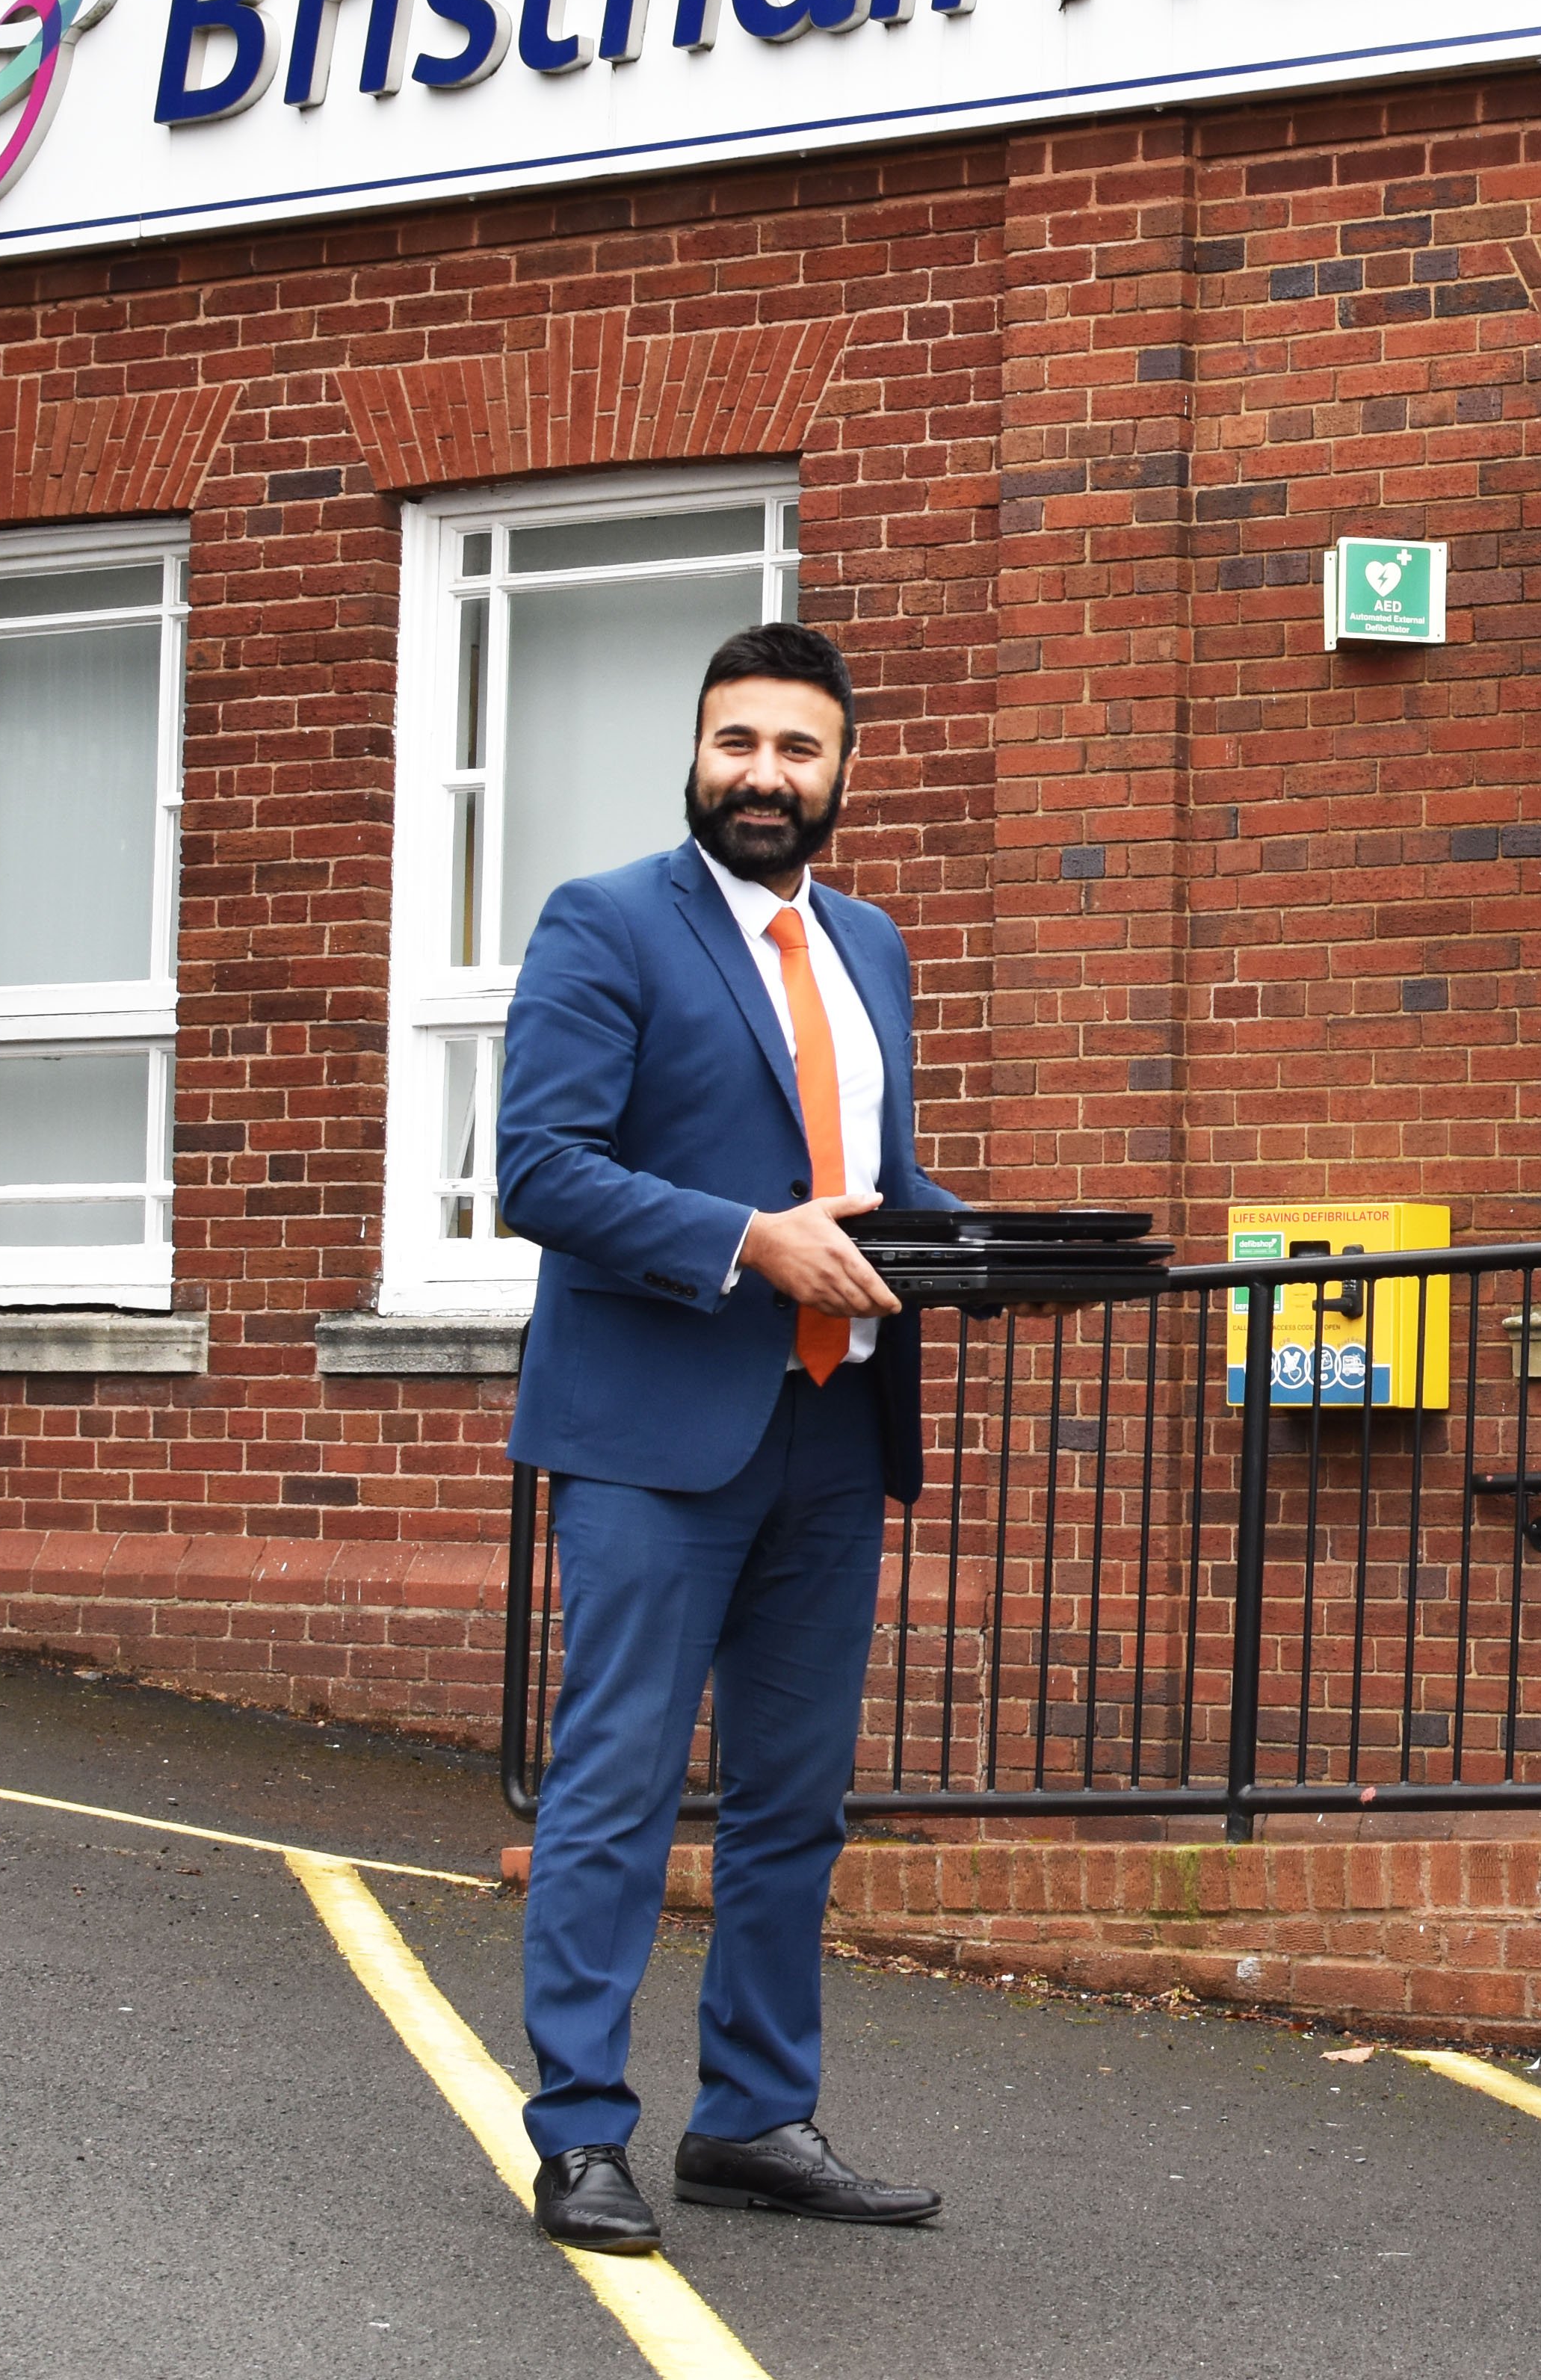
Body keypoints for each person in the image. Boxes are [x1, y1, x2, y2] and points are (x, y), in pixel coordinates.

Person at [498, 619, 958, 2257]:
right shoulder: (607, 921)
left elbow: (882, 1186)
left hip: (832, 1427)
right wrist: (747, 1238)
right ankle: (580, 2134)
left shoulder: (875, 945)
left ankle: (755, 2116)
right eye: (737, 741)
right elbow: (540, 1168)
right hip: (652, 1434)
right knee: (617, 1785)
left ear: (846, 772)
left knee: (792, 1801)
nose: (765, 773)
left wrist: (1024, 1252)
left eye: (798, 748)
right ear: (697, 750)